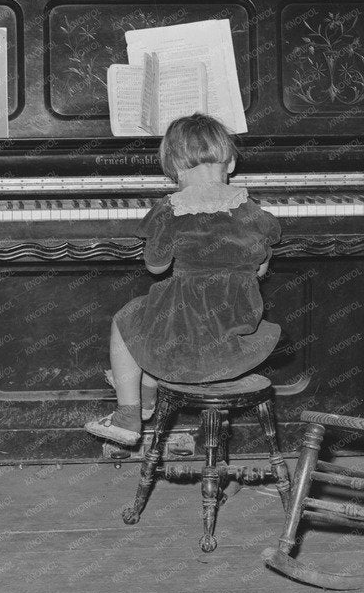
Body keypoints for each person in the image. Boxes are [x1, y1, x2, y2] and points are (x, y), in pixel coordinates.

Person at [85, 114, 281, 446]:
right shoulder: (250, 209)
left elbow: (156, 266)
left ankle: (127, 417)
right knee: (154, 321)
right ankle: (148, 396)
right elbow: (260, 268)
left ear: (173, 168)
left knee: (129, 319)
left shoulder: (171, 209)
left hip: (184, 343)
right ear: (230, 163)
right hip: (236, 336)